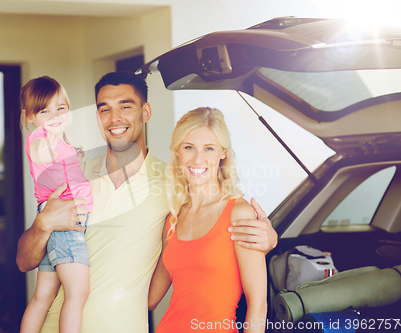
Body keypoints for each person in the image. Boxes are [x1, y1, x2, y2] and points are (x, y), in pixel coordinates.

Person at [15, 72, 277, 333]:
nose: (115, 118)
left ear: (146, 112)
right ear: (98, 117)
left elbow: (215, 209)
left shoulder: (175, 186)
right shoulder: (73, 174)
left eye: (126, 107)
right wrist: (42, 225)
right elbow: (24, 262)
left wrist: (268, 237)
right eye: (105, 109)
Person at [148, 107, 266, 332]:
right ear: (178, 153)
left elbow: (258, 305)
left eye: (208, 148)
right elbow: (150, 299)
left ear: (222, 153)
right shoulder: (173, 219)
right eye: (189, 147)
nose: (198, 158)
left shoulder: (239, 213)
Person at [19, 76, 93, 333]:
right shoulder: (40, 139)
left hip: (56, 213)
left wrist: (73, 152)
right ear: (29, 117)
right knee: (78, 291)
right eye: (44, 111)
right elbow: (43, 154)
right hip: (62, 216)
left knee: (44, 295)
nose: (54, 116)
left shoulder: (60, 143)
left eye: (61, 108)